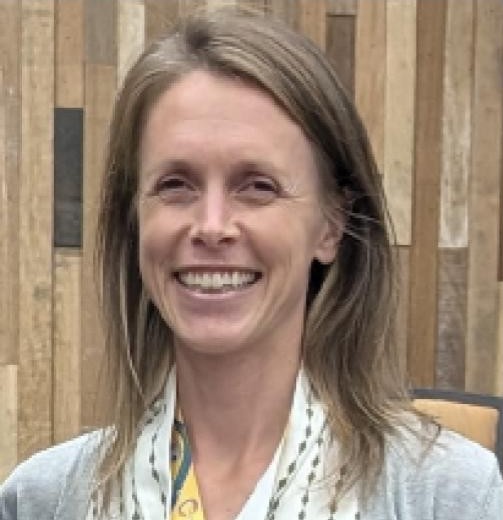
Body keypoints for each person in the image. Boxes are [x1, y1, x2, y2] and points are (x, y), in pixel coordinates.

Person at [1, 7, 502, 520]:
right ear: (134, 219)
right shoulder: (43, 500)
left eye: (258, 186)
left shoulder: (448, 497)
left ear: (330, 225)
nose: (211, 225)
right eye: (175, 185)